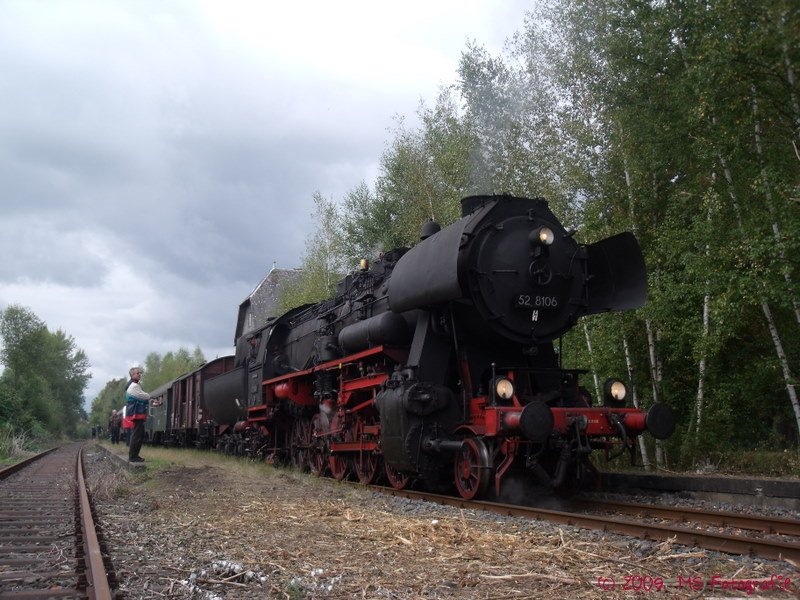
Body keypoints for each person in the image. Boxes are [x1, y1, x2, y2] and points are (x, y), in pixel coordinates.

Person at [125, 366, 151, 463]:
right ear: (132, 375)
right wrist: (148, 396)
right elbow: (144, 396)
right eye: (137, 373)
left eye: (140, 373)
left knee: (138, 434)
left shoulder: (135, 385)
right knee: (137, 435)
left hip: (137, 412)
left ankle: (135, 455)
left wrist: (146, 397)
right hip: (136, 413)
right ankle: (133, 456)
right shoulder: (134, 386)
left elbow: (143, 397)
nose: (140, 374)